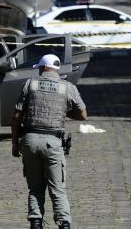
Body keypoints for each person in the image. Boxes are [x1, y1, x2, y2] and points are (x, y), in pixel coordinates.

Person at [11, 54, 87, 229]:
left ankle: (36, 223)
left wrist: (15, 143)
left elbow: (16, 117)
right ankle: (64, 224)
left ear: (44, 68)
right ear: (56, 70)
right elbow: (83, 115)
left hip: (29, 141)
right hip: (53, 142)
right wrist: (64, 112)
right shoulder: (67, 87)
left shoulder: (31, 84)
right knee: (57, 189)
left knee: (35, 188)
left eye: (39, 67)